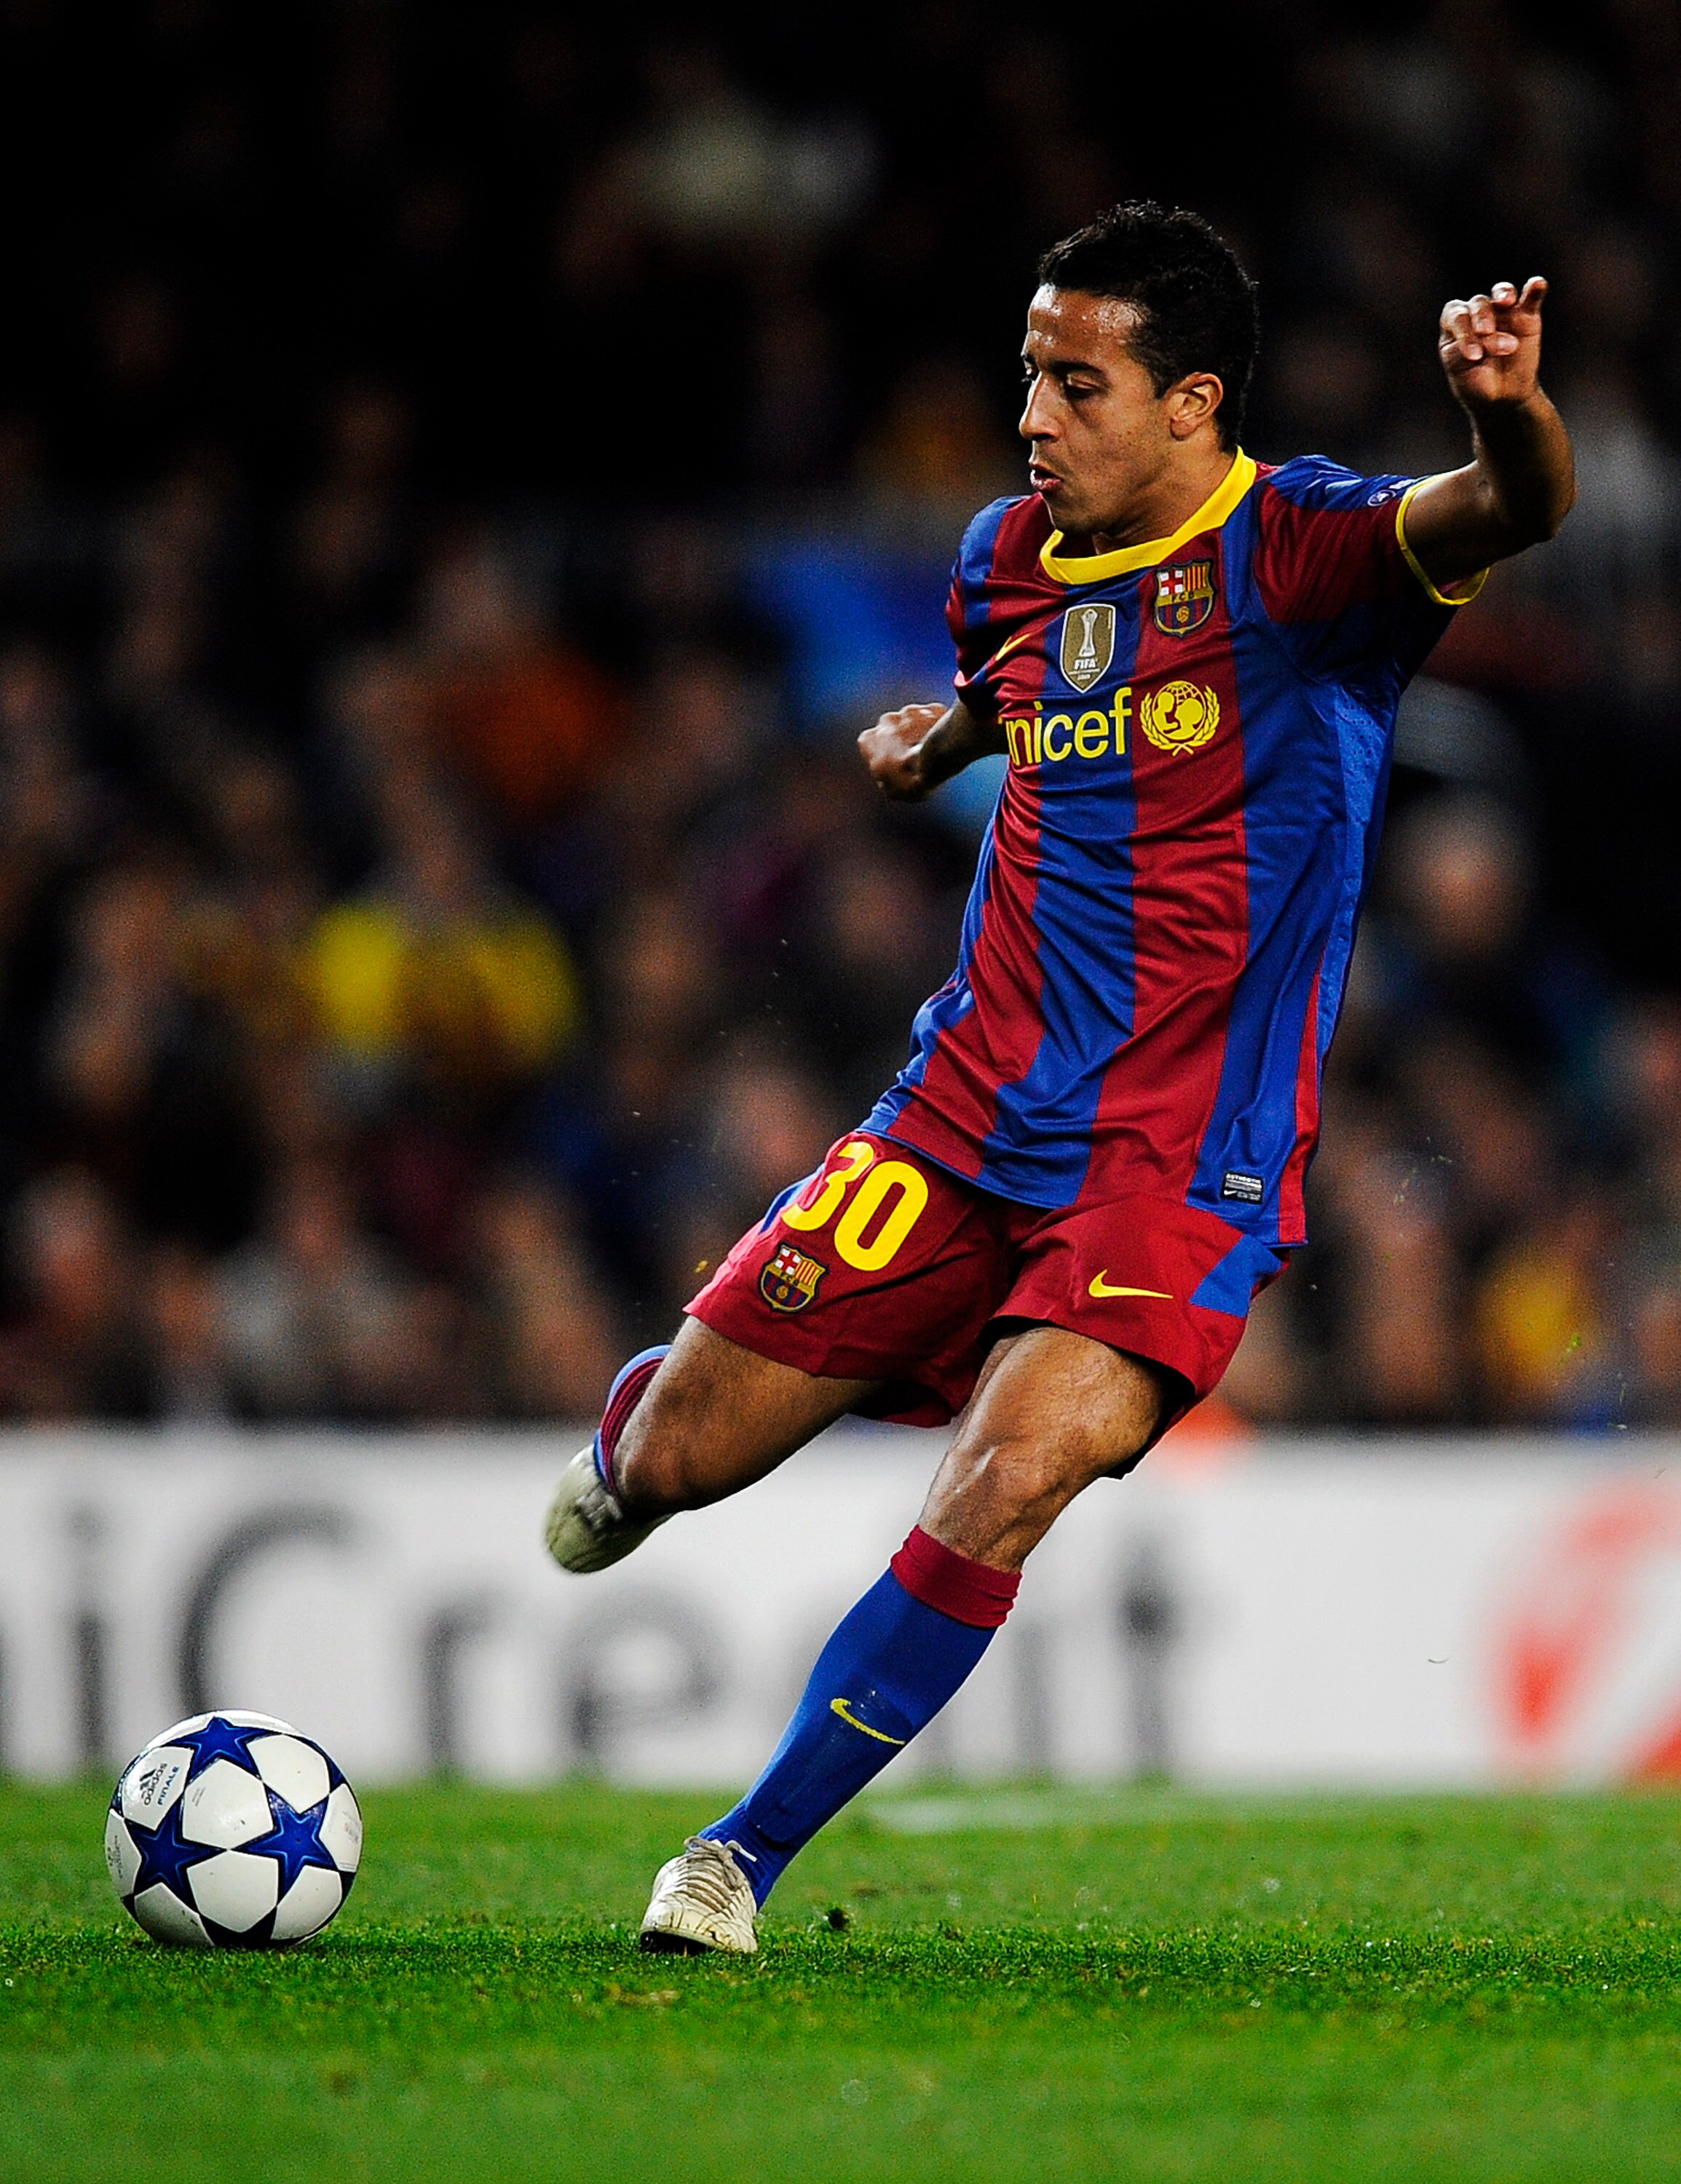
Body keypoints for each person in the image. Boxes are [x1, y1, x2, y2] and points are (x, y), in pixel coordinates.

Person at [545, 202, 1575, 1954]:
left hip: (1177, 1164)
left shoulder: (1307, 556)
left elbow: (1515, 507)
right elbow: (1015, 685)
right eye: (1030, 371)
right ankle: (648, 1420)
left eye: (1073, 382)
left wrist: (1503, 412)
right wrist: (933, 740)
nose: (1032, 413)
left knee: (1009, 1478)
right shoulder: (1009, 555)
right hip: (957, 1116)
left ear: (1191, 406)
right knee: (665, 1466)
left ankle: (733, 1860)